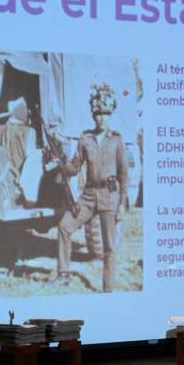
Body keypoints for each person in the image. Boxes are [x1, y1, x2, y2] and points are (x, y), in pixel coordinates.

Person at [55, 83, 129, 292]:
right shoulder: (85, 139)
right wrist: (61, 161)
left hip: (109, 195)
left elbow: (124, 174)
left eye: (105, 114)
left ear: (110, 115)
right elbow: (74, 167)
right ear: (93, 116)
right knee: (65, 226)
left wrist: (122, 204)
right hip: (88, 195)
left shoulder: (116, 140)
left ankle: (108, 288)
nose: (101, 118)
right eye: (98, 114)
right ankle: (63, 274)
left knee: (109, 245)